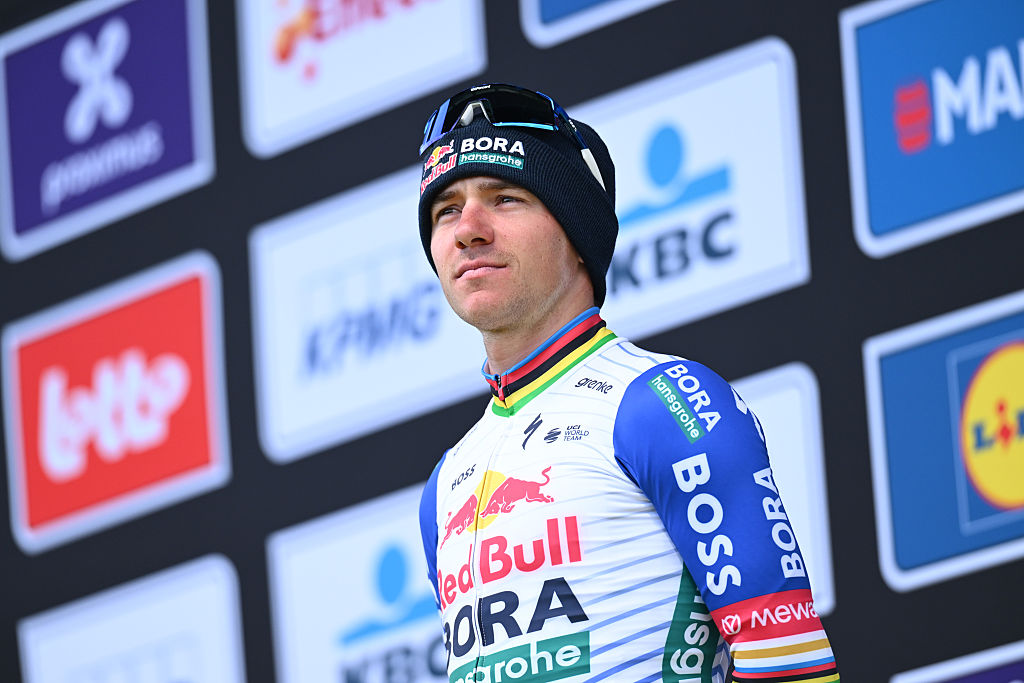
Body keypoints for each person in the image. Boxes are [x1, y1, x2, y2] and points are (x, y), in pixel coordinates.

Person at [416, 84, 840, 683]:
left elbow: (789, 664)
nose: (468, 229)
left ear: (578, 233)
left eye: (505, 198)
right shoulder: (446, 483)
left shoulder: (662, 403)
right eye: (445, 210)